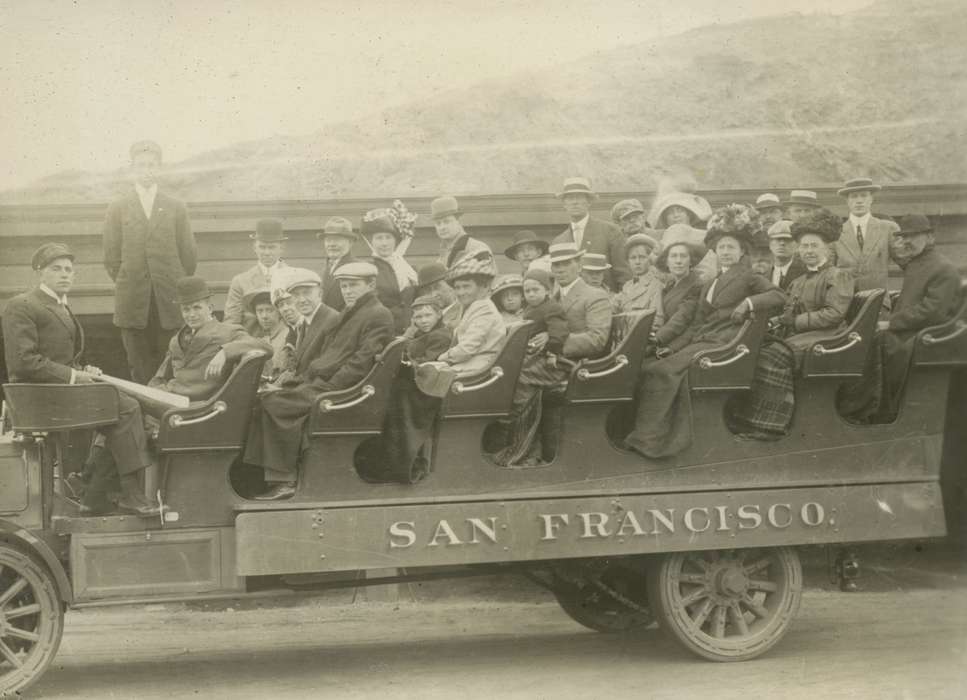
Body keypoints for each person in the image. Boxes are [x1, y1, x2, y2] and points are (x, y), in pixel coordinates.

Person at [3, 244, 161, 517]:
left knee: (123, 403)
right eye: (56, 269)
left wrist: (82, 368)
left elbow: (59, 358)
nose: (65, 275)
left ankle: (92, 489)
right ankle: (127, 493)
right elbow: (23, 362)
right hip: (39, 398)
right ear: (40, 272)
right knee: (125, 408)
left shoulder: (60, 306)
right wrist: (75, 376)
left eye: (69, 270)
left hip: (57, 392)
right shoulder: (23, 305)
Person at [625, 204, 786, 458]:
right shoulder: (709, 283)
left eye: (730, 247)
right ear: (715, 251)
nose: (725, 252)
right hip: (703, 340)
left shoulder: (748, 276)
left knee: (663, 373)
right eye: (721, 247)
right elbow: (697, 325)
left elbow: (777, 295)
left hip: (725, 342)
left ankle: (654, 441)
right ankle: (649, 436)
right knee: (652, 366)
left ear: (742, 250)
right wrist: (671, 348)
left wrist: (749, 303)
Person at [245, 262, 395, 500]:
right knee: (267, 399)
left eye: (354, 285)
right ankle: (263, 478)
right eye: (344, 286)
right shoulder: (351, 312)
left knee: (274, 405)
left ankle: (285, 481)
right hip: (323, 383)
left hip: (341, 390)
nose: (347, 291)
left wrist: (329, 387)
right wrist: (306, 381)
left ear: (371, 285)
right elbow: (330, 355)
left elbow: (361, 362)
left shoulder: (378, 315)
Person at [497, 243, 612, 466]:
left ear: (578, 265)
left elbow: (597, 339)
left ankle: (522, 449)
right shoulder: (548, 296)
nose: (560, 269)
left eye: (566, 263)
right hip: (547, 361)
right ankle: (525, 449)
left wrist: (553, 343)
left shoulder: (594, 295)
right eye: (556, 265)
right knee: (509, 371)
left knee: (520, 377)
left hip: (573, 365)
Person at [839, 214, 961, 423]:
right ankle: (865, 406)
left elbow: (933, 312)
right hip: (913, 328)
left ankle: (875, 409)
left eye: (913, 236)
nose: (907, 241)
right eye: (904, 237)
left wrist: (891, 323)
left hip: (928, 332)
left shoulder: (943, 268)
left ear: (930, 237)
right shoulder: (917, 262)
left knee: (877, 342)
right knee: (867, 338)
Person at [103, 140, 197, 383]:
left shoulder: (176, 207)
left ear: (160, 169)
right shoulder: (118, 207)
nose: (147, 170)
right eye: (141, 165)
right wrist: (133, 280)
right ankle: (145, 420)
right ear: (132, 169)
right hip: (133, 302)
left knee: (174, 365)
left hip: (169, 301)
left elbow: (188, 256)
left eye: (152, 165)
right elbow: (111, 258)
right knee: (140, 368)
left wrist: (170, 284)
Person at [365, 294, 454, 484]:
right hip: (413, 383)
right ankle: (388, 462)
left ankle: (405, 465)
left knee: (397, 410)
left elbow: (428, 362)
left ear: (438, 315)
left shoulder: (441, 335)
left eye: (427, 316)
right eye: (418, 317)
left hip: (425, 389)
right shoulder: (420, 333)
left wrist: (404, 361)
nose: (423, 321)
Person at [149, 277, 272, 401]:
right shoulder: (176, 340)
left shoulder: (227, 332)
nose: (191, 314)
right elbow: (159, 377)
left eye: (197, 307)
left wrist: (225, 352)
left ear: (210, 308)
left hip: (200, 406)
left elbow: (265, 347)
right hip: (170, 398)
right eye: (186, 309)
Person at [773, 211, 855, 364]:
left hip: (828, 336)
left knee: (777, 353)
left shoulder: (838, 276)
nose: (809, 250)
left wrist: (796, 321)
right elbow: (787, 312)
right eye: (804, 246)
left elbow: (834, 314)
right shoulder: (797, 281)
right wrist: (776, 321)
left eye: (814, 246)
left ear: (826, 249)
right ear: (799, 250)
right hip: (803, 334)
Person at [434, 252, 506, 376]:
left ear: (482, 287)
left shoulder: (484, 309)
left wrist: (440, 358)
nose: (461, 292)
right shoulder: (471, 307)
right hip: (471, 364)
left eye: (466, 286)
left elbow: (466, 349)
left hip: (480, 369)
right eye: (457, 287)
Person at [552, 177, 630, 291]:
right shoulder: (559, 241)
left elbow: (624, 274)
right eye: (570, 198)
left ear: (589, 202)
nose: (575, 202)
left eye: (579, 197)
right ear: (564, 204)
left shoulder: (610, 231)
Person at [266, 268, 339, 387]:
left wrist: (285, 388)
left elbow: (325, 369)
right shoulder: (305, 323)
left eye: (307, 293)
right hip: (305, 385)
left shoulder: (332, 320)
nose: (302, 300)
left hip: (320, 390)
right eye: (295, 295)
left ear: (320, 293)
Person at [223, 219, 290, 334]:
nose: (267, 252)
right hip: (250, 343)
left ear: (282, 248)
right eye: (262, 247)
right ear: (254, 247)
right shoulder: (240, 281)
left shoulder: (293, 277)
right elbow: (231, 323)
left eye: (272, 247)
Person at [833, 178, 898, 293]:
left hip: (878, 302)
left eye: (864, 196)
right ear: (847, 201)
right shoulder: (836, 232)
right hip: (845, 303)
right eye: (854, 196)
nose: (859, 201)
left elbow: (907, 262)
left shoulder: (888, 229)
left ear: (871, 199)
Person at [361, 202, 418, 333]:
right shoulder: (368, 270)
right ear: (372, 242)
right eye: (379, 238)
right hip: (382, 331)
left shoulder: (409, 269)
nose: (384, 243)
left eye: (388, 237)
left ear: (395, 240)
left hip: (412, 331)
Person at [651, 225, 705, 354]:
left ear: (690, 261)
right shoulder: (669, 286)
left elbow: (682, 319)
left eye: (683, 256)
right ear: (667, 262)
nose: (678, 261)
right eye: (674, 256)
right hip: (666, 339)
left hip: (684, 343)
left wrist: (656, 339)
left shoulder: (696, 285)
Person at [613, 233, 665, 327]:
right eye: (633, 258)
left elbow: (657, 320)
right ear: (628, 262)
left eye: (642, 257)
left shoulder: (655, 285)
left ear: (650, 259)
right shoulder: (628, 285)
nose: (637, 262)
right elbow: (614, 308)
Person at [431, 195, 492, 268]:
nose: (442, 227)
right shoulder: (443, 254)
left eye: (446, 222)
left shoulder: (477, 248)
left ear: (458, 221)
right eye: (438, 223)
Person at [243, 289, 291, 379]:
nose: (264, 316)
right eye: (260, 311)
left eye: (269, 310)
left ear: (279, 312)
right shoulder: (261, 340)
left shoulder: (289, 335)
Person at [318, 216, 359, 311]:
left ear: (350, 242)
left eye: (337, 239)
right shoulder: (326, 268)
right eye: (328, 240)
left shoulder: (355, 268)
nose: (332, 244)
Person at [765, 220, 807, 291]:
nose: (782, 243)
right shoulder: (763, 275)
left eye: (788, 239)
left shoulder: (805, 274)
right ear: (770, 245)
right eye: (778, 239)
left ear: (797, 245)